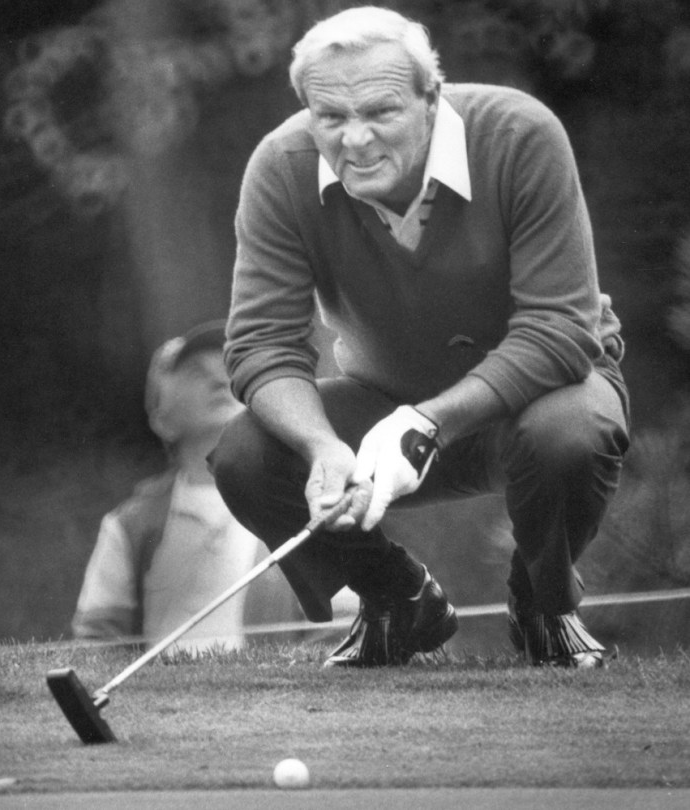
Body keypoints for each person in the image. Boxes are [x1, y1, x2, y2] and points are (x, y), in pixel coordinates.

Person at [209, 6, 630, 669]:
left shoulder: (520, 134)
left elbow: (560, 329)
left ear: (431, 99)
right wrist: (320, 445)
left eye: (380, 112)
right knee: (246, 454)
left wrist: (431, 421)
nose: (355, 140)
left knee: (569, 434)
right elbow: (261, 345)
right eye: (332, 118)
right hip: (383, 402)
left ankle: (542, 599)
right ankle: (397, 600)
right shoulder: (280, 167)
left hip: (542, 398)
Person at [71, 320, 306, 653]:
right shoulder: (129, 525)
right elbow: (98, 640)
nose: (219, 379)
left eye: (230, 368)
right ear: (161, 417)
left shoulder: (303, 509)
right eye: (196, 372)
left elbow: (337, 630)